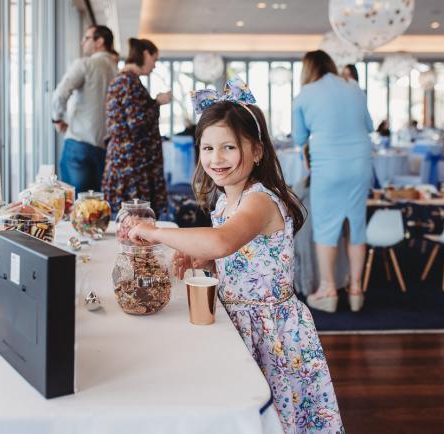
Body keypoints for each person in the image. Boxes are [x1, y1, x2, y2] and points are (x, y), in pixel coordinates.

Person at [128, 77, 344, 433]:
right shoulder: (225, 199)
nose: (216, 158)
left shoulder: (259, 199)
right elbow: (232, 252)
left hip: (271, 330)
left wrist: (156, 232)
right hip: (239, 318)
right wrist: (206, 260)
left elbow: (224, 241)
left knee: (278, 415)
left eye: (229, 147)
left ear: (257, 151)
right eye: (208, 148)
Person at [292, 50, 373, 313]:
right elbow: (369, 125)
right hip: (360, 164)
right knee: (356, 228)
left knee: (326, 229)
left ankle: (328, 290)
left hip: (328, 167)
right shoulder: (354, 88)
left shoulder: (305, 94)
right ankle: (356, 290)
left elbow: (299, 138)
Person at [102, 38, 172, 216]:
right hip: (131, 164)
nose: (154, 66)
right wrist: (157, 102)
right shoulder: (128, 81)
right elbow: (136, 123)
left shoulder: (124, 80)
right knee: (132, 219)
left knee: (128, 219)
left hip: (128, 162)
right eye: (154, 60)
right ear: (145, 54)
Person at [52, 25, 117, 193]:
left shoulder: (85, 64)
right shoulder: (117, 71)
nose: (82, 42)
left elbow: (60, 93)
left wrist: (57, 118)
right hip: (104, 149)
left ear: (99, 41)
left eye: (86, 38)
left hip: (78, 145)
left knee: (76, 207)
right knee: (96, 208)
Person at [293, 145, 349, 297]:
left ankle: (314, 285)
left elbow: (292, 210)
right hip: (331, 234)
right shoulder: (338, 186)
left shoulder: (301, 186)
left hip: (306, 235)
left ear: (307, 163)